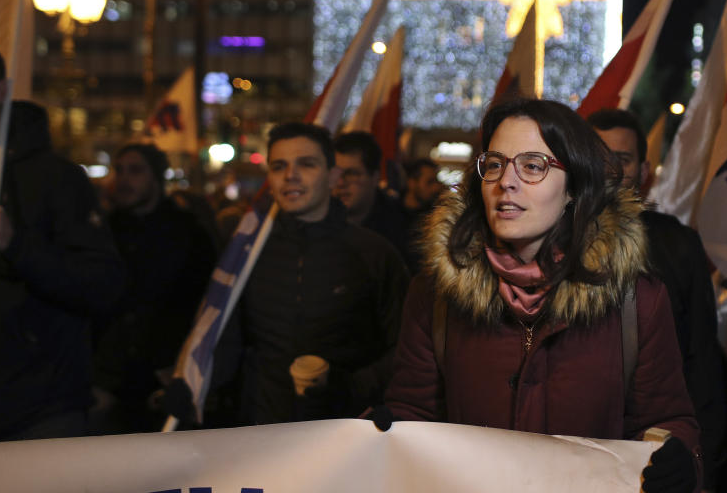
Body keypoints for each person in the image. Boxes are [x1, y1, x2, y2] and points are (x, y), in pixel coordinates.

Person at [385, 98, 700, 492]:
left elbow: (667, 420)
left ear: (573, 188)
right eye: (495, 164)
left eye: (533, 165)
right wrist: (377, 432)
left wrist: (678, 457)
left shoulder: (637, 300)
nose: (506, 182)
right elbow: (411, 416)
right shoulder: (435, 294)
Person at [0, 34, 123, 442]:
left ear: (0, 90)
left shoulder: (55, 179)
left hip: (37, 411)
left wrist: (17, 245)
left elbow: (101, 286)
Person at [210, 122, 409, 425]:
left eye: (307, 164)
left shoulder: (374, 254)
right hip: (260, 433)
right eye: (279, 166)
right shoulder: (245, 252)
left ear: (332, 176)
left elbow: (407, 347)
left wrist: (348, 386)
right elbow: (221, 336)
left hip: (346, 432)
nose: (291, 175)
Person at [589, 108, 727, 491]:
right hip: (583, 450)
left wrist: (701, 464)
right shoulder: (553, 244)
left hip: (656, 455)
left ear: (644, 171)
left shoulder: (678, 246)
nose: (610, 170)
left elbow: (702, 361)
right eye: (599, 157)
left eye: (623, 159)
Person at [90, 143, 216, 434]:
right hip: (109, 384)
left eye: (135, 171)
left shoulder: (187, 233)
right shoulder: (102, 233)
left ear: (157, 178)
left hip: (163, 383)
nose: (123, 179)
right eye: (118, 170)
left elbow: (200, 305)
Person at [333, 131, 410, 260]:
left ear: (375, 177)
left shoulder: (403, 231)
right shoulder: (312, 223)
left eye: (352, 173)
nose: (341, 182)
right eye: (335, 173)